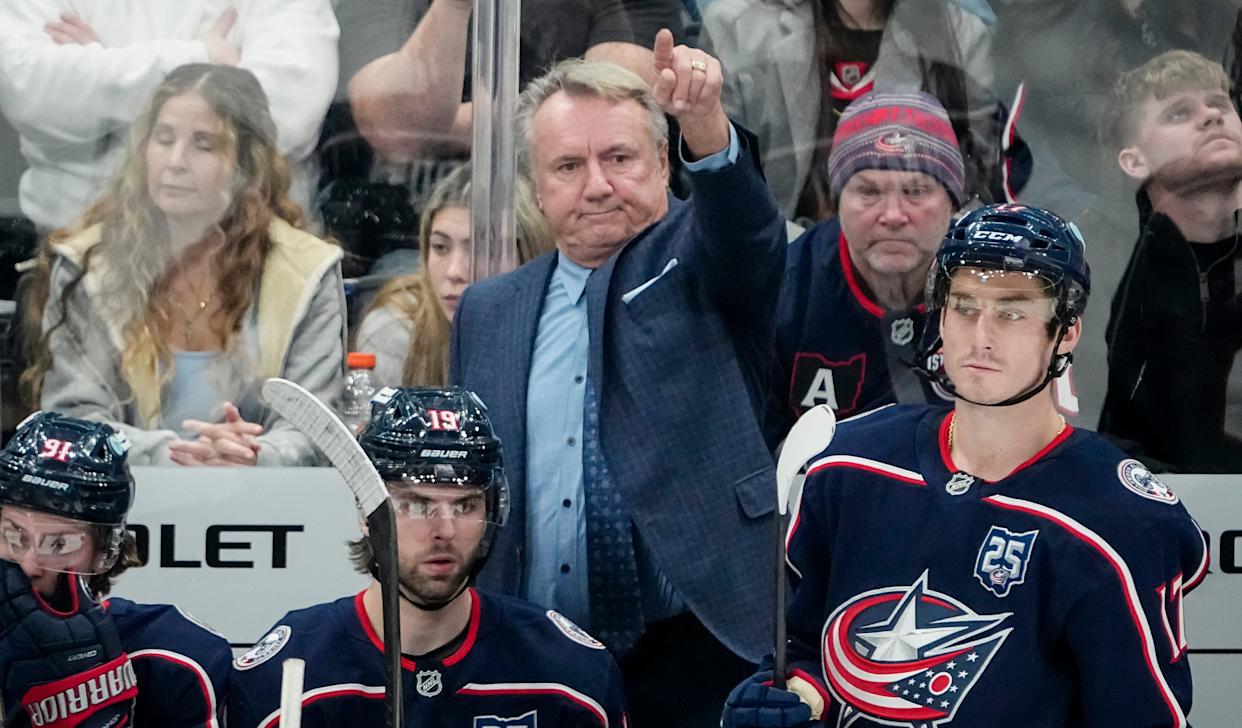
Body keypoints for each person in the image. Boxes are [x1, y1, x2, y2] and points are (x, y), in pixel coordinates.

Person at [721, 203, 1210, 728]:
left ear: (1065, 333)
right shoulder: (846, 463)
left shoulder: (1116, 520)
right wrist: (784, 707)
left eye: (1012, 312)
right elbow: (804, 644)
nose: (980, 336)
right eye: (964, 307)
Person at [450, 30, 785, 728]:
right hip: (530, 653)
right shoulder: (488, 310)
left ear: (664, 164)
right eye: (568, 166)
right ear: (536, 186)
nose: (597, 185)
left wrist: (706, 127)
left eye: (621, 158)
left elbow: (748, 234)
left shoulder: (699, 261)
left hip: (698, 652)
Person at [227, 386, 635, 728]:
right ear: (366, 512)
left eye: (465, 504)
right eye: (416, 504)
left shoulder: (568, 673)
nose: (444, 530)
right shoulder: (290, 673)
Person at [25, 63, 346, 467]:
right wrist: (178, 456)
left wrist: (252, 457)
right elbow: (72, 420)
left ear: (247, 165)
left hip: (265, 510)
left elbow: (316, 430)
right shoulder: (89, 264)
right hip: (121, 510)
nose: (175, 161)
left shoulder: (306, 272)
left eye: (203, 144)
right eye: (163, 139)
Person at [320, 0, 683, 273]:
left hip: (579, 230)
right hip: (413, 237)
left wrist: (444, 124)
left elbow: (612, 117)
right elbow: (395, 128)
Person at [0, 411, 235, 728]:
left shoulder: (175, 657)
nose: (30, 562)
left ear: (104, 550)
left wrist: (83, 715)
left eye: (60, 541)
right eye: (12, 534)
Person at [0, 0, 338, 230]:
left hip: (248, 253)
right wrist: (200, 56)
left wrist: (104, 74)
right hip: (77, 251)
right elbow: (26, 90)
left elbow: (283, 113)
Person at [768, 90, 961, 445]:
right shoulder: (784, 290)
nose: (893, 215)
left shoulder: (995, 287)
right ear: (836, 201)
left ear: (953, 201)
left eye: (916, 190)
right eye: (868, 192)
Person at [700, 0, 999, 222]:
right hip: (779, 260)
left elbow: (978, 184)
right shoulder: (736, 26)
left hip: (918, 259)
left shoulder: (962, 35)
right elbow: (724, 192)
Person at [1098, 50, 1242, 472]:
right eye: (1180, 113)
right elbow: (1084, 426)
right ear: (1135, 161)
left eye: (1221, 104)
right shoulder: (1097, 266)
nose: (1211, 117)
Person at [352, 164, 554, 388]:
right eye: (440, 247)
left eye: (479, 250)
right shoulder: (395, 332)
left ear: (529, 253)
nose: (454, 272)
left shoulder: (559, 329)